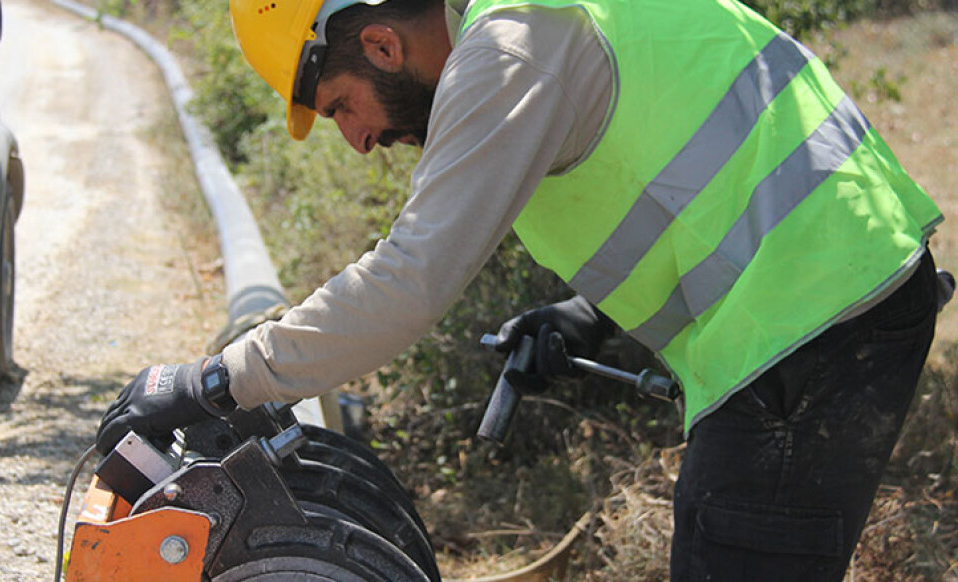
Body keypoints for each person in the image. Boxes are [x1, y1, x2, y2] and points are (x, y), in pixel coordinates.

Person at [96, 0, 948, 578]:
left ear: (382, 45)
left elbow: (410, 279)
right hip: (829, 292)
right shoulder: (531, 24)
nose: (357, 140)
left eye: (341, 105)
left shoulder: (508, 49)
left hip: (810, 319)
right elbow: (694, 171)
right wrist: (583, 321)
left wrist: (213, 380)